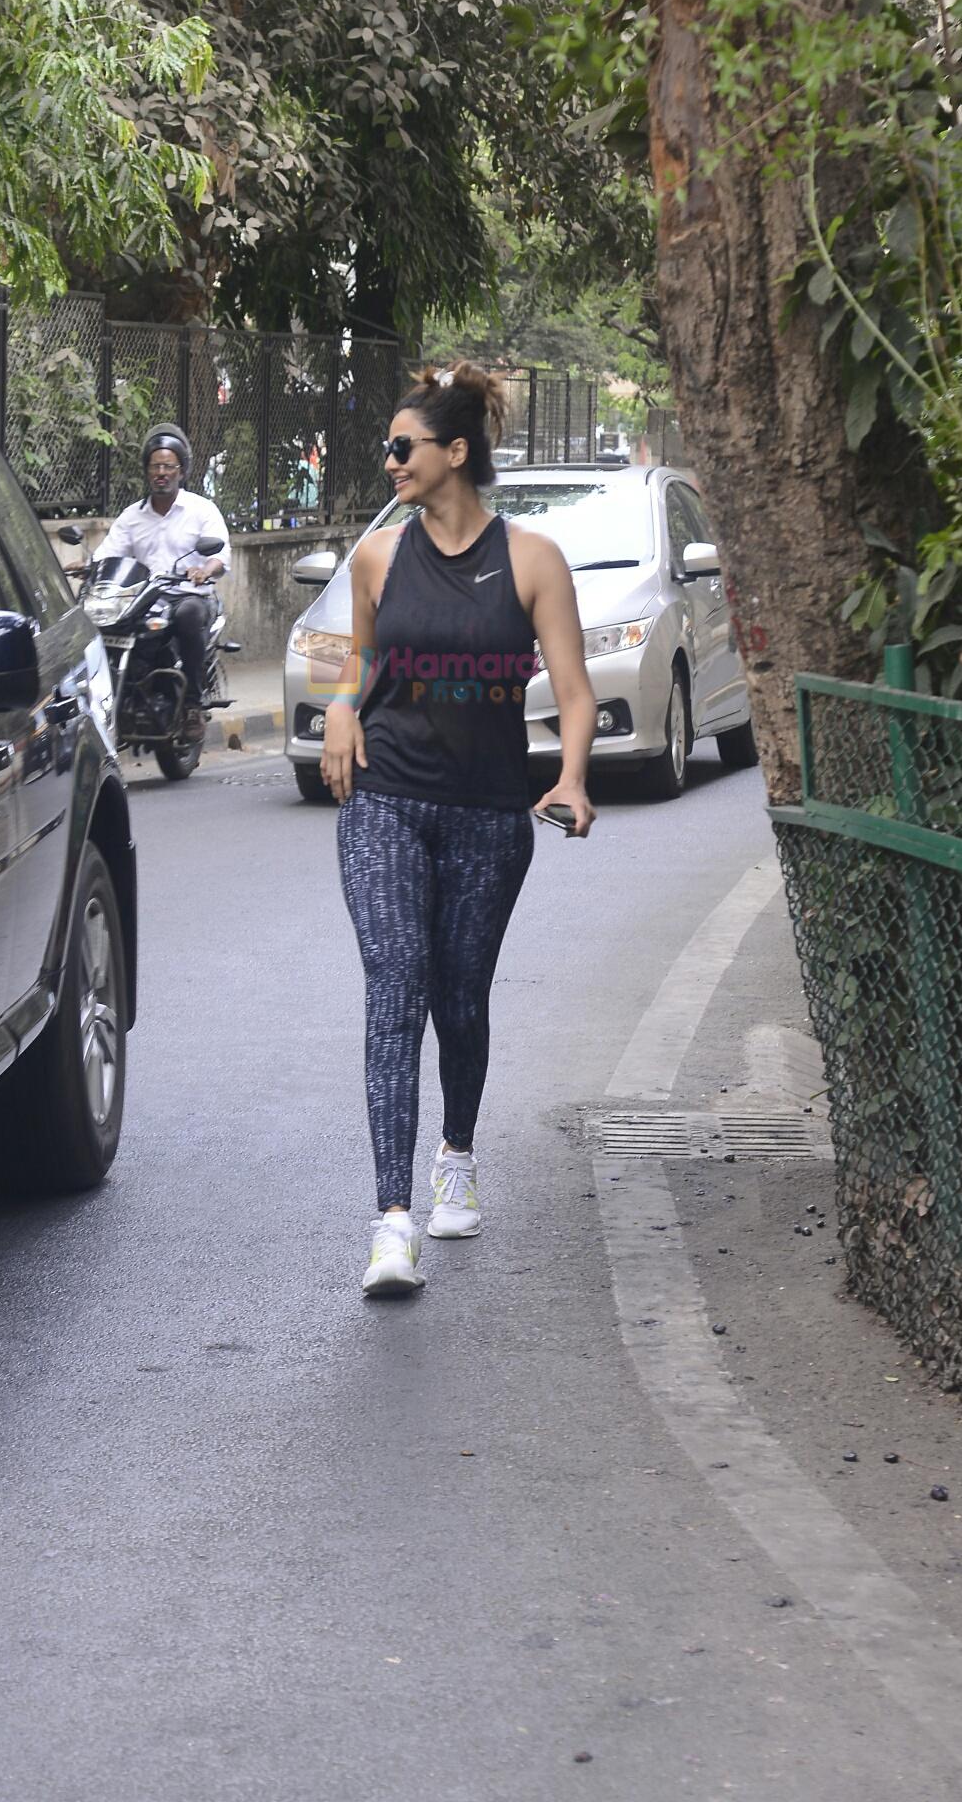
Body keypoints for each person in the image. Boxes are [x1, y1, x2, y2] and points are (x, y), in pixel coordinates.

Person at [322, 363, 597, 1297]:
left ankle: (458, 1154)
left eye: (403, 447)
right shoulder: (374, 557)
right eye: (389, 449)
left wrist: (569, 776)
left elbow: (572, 691)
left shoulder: (530, 561)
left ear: (454, 453)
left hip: (487, 813)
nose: (390, 461)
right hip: (385, 802)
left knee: (460, 999)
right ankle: (390, 1224)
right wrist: (339, 710)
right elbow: (352, 656)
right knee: (396, 989)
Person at [101, 426, 231, 741]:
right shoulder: (131, 517)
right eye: (155, 466)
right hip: (146, 599)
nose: (161, 472)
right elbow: (108, 552)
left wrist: (205, 569)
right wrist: (89, 566)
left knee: (188, 615)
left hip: (190, 595)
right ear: (147, 471)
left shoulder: (202, 510)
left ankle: (191, 706)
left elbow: (221, 556)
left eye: (168, 466)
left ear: (181, 471)